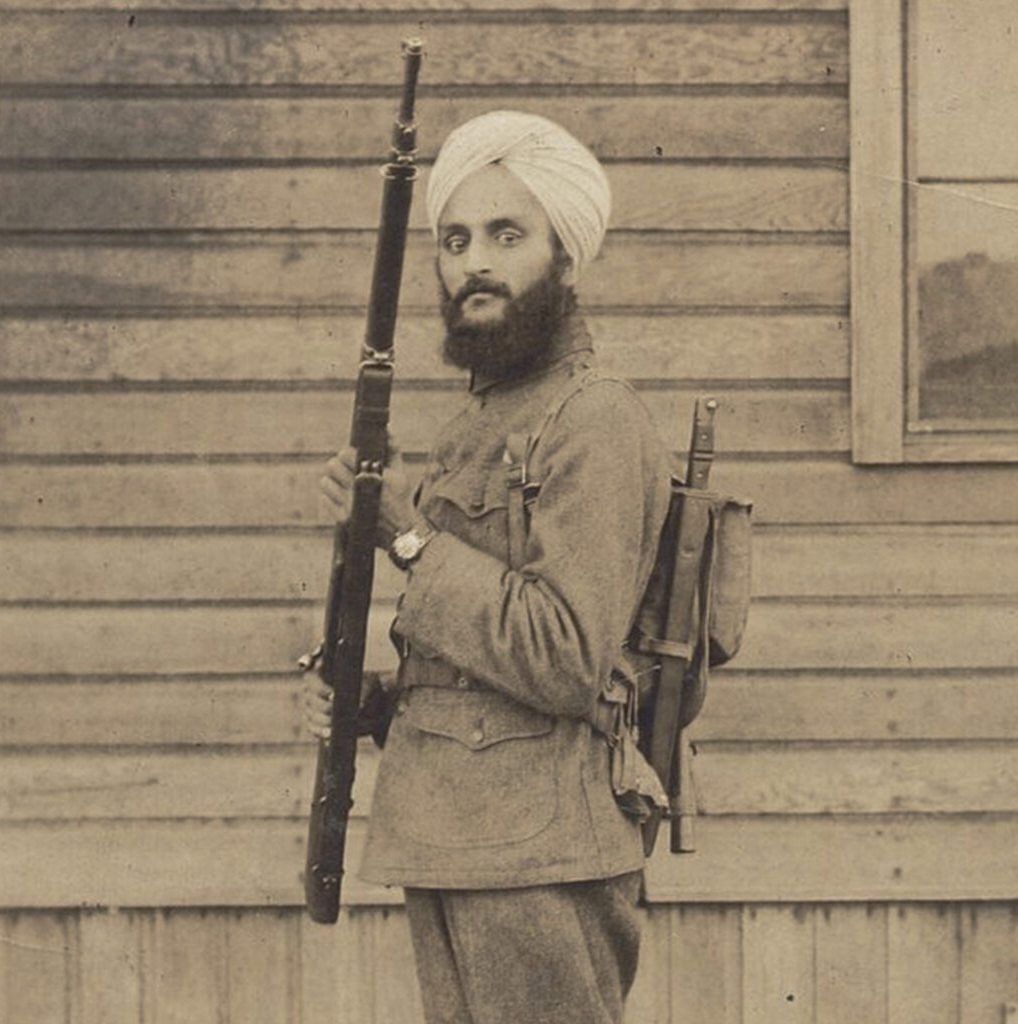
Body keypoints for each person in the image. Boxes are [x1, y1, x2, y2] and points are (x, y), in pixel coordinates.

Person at [306, 110, 672, 1024]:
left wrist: (406, 540)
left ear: (567, 258)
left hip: (540, 849)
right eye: (456, 239)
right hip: (451, 831)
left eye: (508, 236)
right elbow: (478, 663)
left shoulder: (595, 420)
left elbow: (562, 655)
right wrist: (378, 698)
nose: (475, 262)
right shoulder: (479, 426)